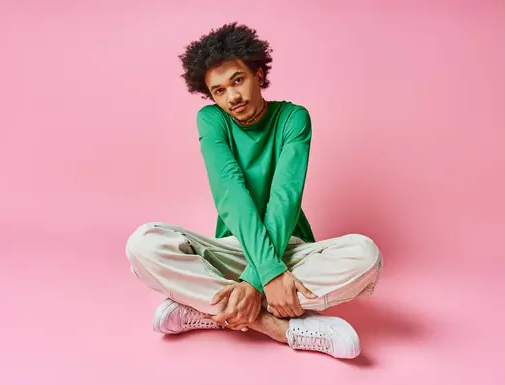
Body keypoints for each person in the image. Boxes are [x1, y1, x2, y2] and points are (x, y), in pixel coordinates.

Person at [125, 22, 383, 359]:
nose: (231, 97)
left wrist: (264, 275)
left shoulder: (293, 118)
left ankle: (207, 310)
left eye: (237, 80)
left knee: (365, 255)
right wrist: (260, 279)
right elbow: (231, 195)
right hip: (233, 248)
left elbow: (284, 200)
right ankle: (282, 327)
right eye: (218, 90)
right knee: (143, 243)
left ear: (258, 74)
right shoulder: (211, 120)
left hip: (288, 251)